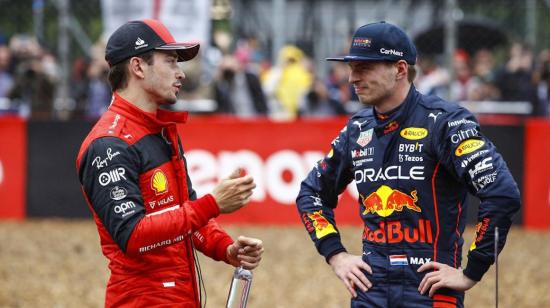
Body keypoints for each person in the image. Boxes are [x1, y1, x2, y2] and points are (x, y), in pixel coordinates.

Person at [296, 21, 520, 307]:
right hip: (370, 290)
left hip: (429, 291)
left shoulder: (445, 122)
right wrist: (336, 254)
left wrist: (471, 272)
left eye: (364, 68)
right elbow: (311, 194)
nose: (352, 77)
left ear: (400, 70)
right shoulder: (356, 130)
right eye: (351, 67)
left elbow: (502, 193)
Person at [76, 19, 264, 307]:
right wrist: (213, 203)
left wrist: (226, 249)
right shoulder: (108, 144)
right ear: (138, 67)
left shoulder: (161, 131)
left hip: (178, 296)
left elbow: (186, 215)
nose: (181, 74)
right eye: (171, 62)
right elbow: (133, 235)